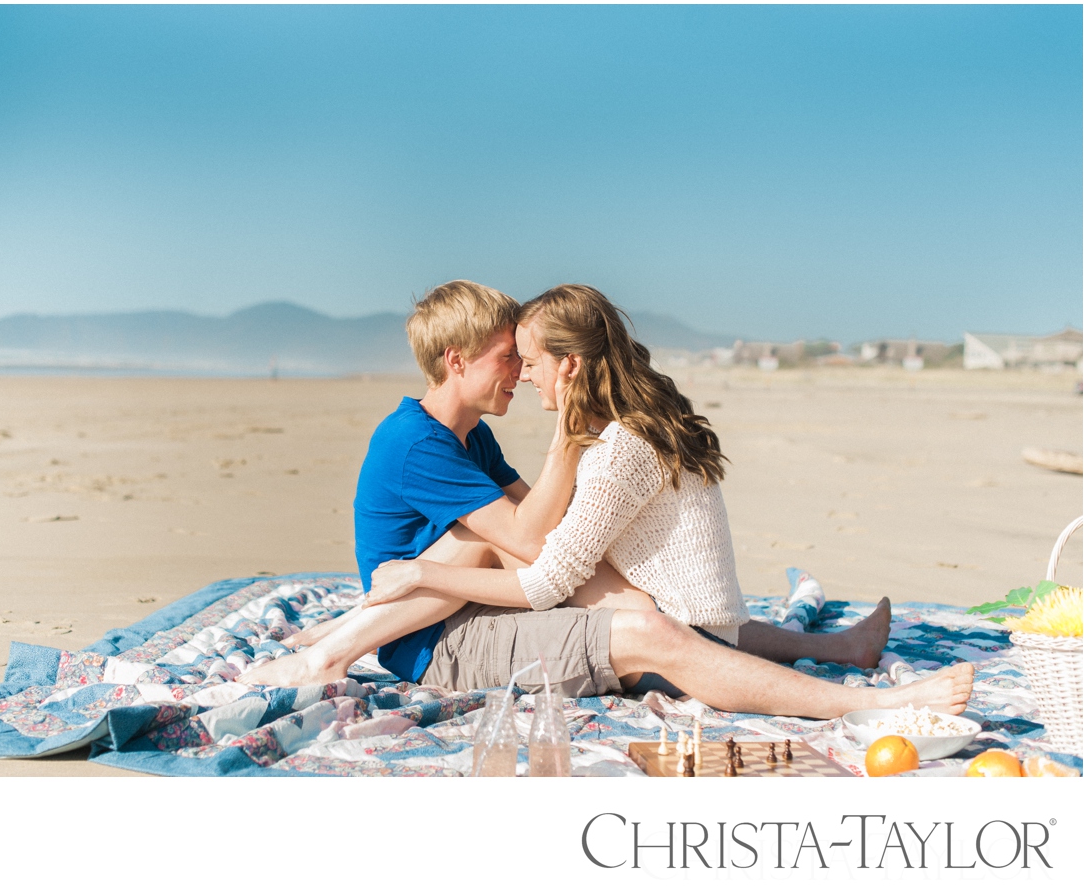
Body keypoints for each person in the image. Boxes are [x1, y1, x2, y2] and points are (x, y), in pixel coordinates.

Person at [240, 282, 972, 719]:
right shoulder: (417, 443)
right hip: (436, 644)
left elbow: (544, 532)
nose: (520, 375)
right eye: (508, 358)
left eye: (526, 360)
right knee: (648, 627)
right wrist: (628, 600)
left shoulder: (469, 440)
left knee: (669, 617)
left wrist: (628, 589)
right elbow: (530, 545)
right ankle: (872, 706)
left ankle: (832, 650)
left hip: (468, 611)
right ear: (455, 362)